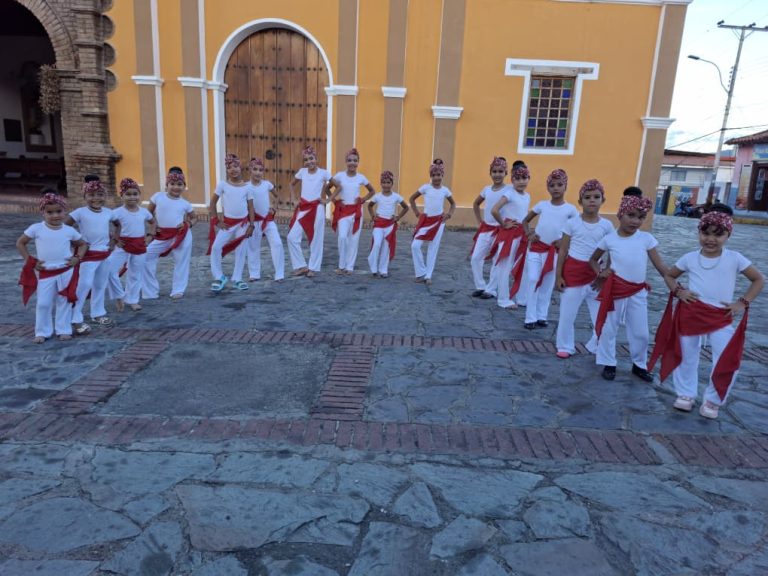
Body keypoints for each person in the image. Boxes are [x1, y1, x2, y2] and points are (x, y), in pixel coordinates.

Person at [649, 206, 764, 419]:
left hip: (721, 316)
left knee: (727, 358)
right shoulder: (690, 258)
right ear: (699, 233)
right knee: (686, 354)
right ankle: (685, 394)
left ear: (728, 234)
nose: (710, 239)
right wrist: (679, 291)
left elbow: (758, 279)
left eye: (718, 234)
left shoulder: (735, 258)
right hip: (691, 313)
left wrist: (742, 302)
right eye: (705, 233)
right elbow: (670, 275)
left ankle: (714, 399)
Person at [589, 195, 668, 381]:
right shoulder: (609, 239)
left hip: (638, 292)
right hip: (615, 291)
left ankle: (639, 364)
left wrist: (673, 281)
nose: (635, 221)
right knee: (609, 328)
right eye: (631, 215)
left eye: (641, 217)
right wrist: (600, 272)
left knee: (640, 331)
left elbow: (661, 266)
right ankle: (609, 362)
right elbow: (593, 259)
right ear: (620, 215)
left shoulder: (646, 239)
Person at [554, 179, 614, 358]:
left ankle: (596, 343)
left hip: (597, 276)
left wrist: (606, 273)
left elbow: (611, 250)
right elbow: (563, 250)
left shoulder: (607, 225)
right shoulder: (572, 223)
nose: (592, 200)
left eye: (596, 197)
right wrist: (558, 276)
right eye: (587, 197)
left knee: (600, 315)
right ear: (580, 202)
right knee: (567, 314)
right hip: (573, 274)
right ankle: (565, 346)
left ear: (603, 200)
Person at [17, 192, 87, 343]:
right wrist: (31, 261)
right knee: (43, 303)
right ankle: (42, 331)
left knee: (64, 301)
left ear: (65, 211)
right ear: (42, 212)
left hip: (65, 270)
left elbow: (82, 244)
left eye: (59, 211)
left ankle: (63, 329)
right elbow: (20, 243)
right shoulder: (36, 228)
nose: (55, 215)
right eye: (50, 212)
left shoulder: (69, 231)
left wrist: (77, 258)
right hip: (46, 272)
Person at [521, 169, 578, 329]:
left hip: (554, 252)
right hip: (537, 248)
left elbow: (577, 230)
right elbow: (525, 221)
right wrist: (529, 234)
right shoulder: (542, 205)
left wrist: (563, 240)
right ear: (548, 188)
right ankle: (530, 317)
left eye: (560, 185)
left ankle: (541, 315)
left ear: (565, 186)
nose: (556, 188)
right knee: (533, 278)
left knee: (547, 283)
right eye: (552, 185)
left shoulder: (571, 209)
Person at [66, 178, 114, 334]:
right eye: (91, 194)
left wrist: (114, 239)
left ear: (104, 196)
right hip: (87, 255)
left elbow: (118, 224)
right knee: (84, 284)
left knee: (100, 284)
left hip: (104, 254)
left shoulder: (108, 212)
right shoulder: (79, 212)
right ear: (85, 196)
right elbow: (65, 226)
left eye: (100, 194)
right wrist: (75, 242)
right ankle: (75, 315)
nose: (96, 198)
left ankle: (98, 312)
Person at [142, 168, 197, 300]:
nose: (176, 187)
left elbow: (194, 218)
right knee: (146, 256)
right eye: (172, 184)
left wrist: (188, 224)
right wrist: (152, 228)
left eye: (179, 184)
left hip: (181, 234)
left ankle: (178, 289)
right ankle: (150, 291)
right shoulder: (157, 197)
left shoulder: (185, 203)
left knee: (181, 261)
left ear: (184, 186)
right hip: (162, 234)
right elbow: (148, 214)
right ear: (167, 184)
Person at [484, 164, 531, 307]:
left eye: (524, 178)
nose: (521, 181)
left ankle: (521, 297)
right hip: (509, 235)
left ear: (529, 179)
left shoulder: (527, 195)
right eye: (518, 179)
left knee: (524, 266)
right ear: (512, 180)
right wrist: (504, 224)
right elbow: (495, 210)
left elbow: (524, 216)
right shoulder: (509, 194)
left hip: (521, 235)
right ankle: (503, 299)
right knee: (504, 266)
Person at [208, 153, 255, 291]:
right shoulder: (222, 185)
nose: (233, 170)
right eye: (229, 167)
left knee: (241, 250)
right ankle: (219, 276)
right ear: (226, 170)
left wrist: (251, 225)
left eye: (235, 166)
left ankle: (237, 278)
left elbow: (251, 207)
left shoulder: (247, 187)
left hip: (243, 224)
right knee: (216, 247)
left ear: (240, 167)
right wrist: (216, 220)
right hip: (227, 224)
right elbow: (212, 202)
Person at [107, 178, 155, 312]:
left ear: (139, 195)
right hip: (122, 245)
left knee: (135, 273)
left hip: (139, 245)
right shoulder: (116, 212)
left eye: (135, 194)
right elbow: (106, 224)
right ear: (121, 195)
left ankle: (132, 299)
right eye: (128, 194)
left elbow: (153, 222)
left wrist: (150, 236)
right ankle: (119, 295)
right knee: (110, 270)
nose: (132, 197)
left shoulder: (144, 212)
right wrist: (115, 238)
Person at [326, 148, 376, 274]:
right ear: (345, 162)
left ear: (358, 162)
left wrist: (363, 200)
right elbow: (327, 189)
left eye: (354, 160)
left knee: (354, 239)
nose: (352, 163)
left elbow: (372, 191)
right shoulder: (339, 176)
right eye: (349, 160)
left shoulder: (361, 178)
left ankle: (349, 267)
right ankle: (341, 266)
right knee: (342, 237)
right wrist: (335, 201)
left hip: (356, 212)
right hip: (343, 211)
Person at [409, 159, 456, 285]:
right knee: (415, 245)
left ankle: (428, 275)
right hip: (426, 221)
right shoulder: (425, 188)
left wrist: (449, 214)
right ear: (431, 176)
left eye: (439, 175)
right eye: (434, 175)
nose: (436, 177)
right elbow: (412, 199)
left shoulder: (445, 190)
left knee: (433, 248)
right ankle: (421, 272)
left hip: (439, 222)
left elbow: (453, 204)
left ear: (442, 175)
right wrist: (417, 213)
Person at [287, 146, 331, 278]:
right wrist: (295, 199)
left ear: (316, 158)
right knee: (292, 237)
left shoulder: (324, 173)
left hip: (317, 208)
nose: (309, 161)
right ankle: (301, 266)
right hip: (304, 207)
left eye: (311, 158)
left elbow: (337, 186)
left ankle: (314, 267)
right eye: (306, 160)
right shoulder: (302, 172)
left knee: (316, 238)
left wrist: (328, 200)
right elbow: (291, 184)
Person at [470, 157, 508, 298]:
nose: (497, 174)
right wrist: (480, 220)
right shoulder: (486, 189)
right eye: (494, 171)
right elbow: (476, 203)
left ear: (506, 173)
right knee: (476, 258)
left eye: (501, 171)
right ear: (490, 173)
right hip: (486, 229)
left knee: (496, 260)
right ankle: (480, 285)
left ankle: (491, 289)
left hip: (501, 230)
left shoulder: (509, 190)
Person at [245, 157, 285, 282]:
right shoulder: (246, 186)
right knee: (253, 247)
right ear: (250, 170)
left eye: (260, 170)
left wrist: (274, 208)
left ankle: (279, 274)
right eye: (255, 169)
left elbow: (277, 196)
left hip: (267, 221)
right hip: (253, 221)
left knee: (277, 243)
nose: (258, 172)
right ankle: (254, 274)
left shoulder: (267, 184)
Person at [367, 170, 409, 278]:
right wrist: (372, 216)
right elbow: (370, 206)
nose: (386, 185)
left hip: (390, 224)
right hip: (379, 224)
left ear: (392, 184)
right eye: (384, 182)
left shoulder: (396, 196)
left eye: (388, 182)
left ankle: (383, 269)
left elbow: (406, 207)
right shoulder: (377, 196)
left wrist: (398, 217)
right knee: (377, 244)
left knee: (386, 247)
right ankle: (373, 267)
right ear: (381, 183)